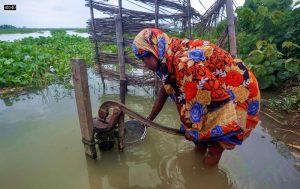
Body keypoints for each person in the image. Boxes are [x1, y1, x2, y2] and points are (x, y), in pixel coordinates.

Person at [132, 28, 260, 165]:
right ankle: (196, 163)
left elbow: (202, 99)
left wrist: (191, 128)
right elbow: (166, 89)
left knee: (215, 147)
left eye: (146, 57)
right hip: (215, 87)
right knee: (199, 142)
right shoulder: (168, 54)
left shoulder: (183, 62)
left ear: (156, 49)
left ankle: (205, 176)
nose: (144, 64)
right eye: (141, 59)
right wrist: (149, 119)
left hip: (238, 90)